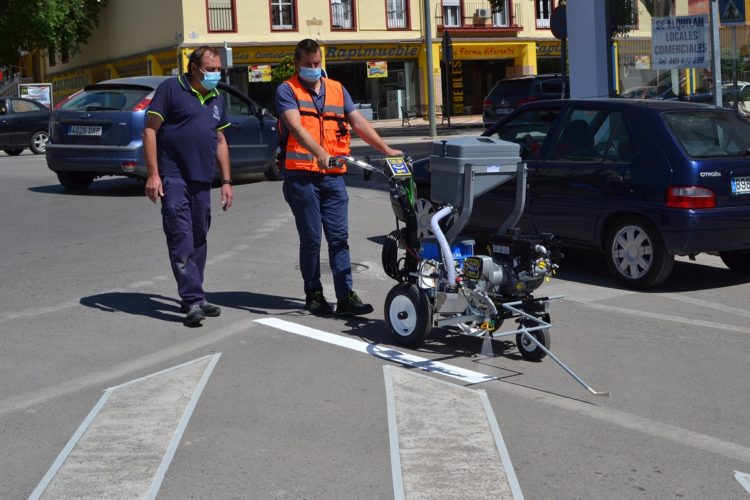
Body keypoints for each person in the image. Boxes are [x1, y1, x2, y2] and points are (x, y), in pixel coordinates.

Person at [276, 38, 402, 317]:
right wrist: (320, 151)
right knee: (311, 239)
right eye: (308, 65)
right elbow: (296, 127)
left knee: (339, 238)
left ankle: (345, 296)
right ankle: (314, 293)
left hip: (333, 177)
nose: (313, 69)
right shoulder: (287, 90)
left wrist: (387, 150)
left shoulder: (336, 89)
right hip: (302, 177)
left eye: (317, 63)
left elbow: (358, 122)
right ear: (297, 64)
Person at [143, 45, 233, 326]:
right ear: (194, 68)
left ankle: (193, 295)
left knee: (198, 237)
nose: (216, 74)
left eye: (219, 70)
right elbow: (149, 130)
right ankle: (193, 299)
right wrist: (153, 175)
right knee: (180, 237)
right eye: (211, 69)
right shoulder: (170, 89)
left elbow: (220, 142)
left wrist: (227, 181)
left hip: (202, 179)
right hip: (173, 176)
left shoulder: (218, 98)